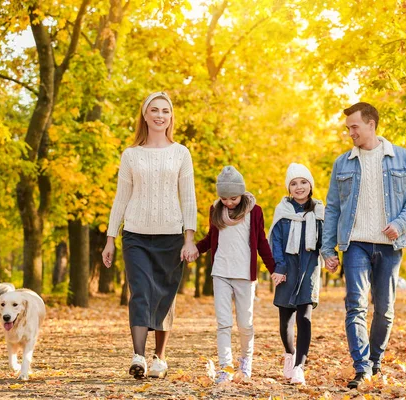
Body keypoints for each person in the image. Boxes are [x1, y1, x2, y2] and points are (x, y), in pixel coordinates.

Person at [321, 102, 406, 389]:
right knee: (355, 305)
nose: (350, 132)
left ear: (371, 124)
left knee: (385, 309)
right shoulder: (343, 162)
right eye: (347, 128)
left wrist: (401, 223)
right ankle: (362, 367)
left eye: (354, 126)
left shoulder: (402, 158)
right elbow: (332, 208)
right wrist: (328, 249)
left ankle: (375, 360)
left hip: (390, 245)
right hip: (355, 244)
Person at [102, 92, 199, 379]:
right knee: (141, 293)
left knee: (165, 296)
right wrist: (111, 238)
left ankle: (160, 358)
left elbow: (189, 199)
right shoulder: (131, 154)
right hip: (136, 235)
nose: (160, 115)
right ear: (144, 116)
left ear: (171, 117)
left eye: (165, 111)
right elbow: (121, 198)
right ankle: (138, 356)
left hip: (170, 235)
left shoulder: (181, 153)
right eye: (154, 110)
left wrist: (189, 238)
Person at [196, 166, 276, 384]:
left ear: (241, 193)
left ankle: (245, 360)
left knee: (245, 323)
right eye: (224, 198)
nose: (229, 203)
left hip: (244, 274)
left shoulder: (255, 211)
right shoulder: (215, 209)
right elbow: (211, 238)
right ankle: (226, 367)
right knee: (223, 323)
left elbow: (261, 242)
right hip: (221, 272)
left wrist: (273, 269)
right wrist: (196, 249)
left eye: (233, 198)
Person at [268, 163, 324, 385]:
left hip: (309, 267)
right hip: (287, 268)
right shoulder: (282, 211)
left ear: (310, 185)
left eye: (303, 182)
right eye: (293, 183)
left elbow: (325, 240)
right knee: (285, 322)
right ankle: (289, 355)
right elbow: (277, 242)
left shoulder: (320, 211)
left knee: (305, 317)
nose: (299, 187)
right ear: (288, 188)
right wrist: (279, 267)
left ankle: (300, 366)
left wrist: (330, 256)